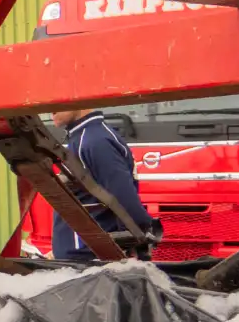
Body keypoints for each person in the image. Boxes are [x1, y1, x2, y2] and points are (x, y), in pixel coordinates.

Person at [48, 107, 161, 263]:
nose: (50, 108)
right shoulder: (84, 136)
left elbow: (123, 199)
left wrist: (138, 236)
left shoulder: (95, 141)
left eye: (57, 98)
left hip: (90, 259)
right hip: (85, 254)